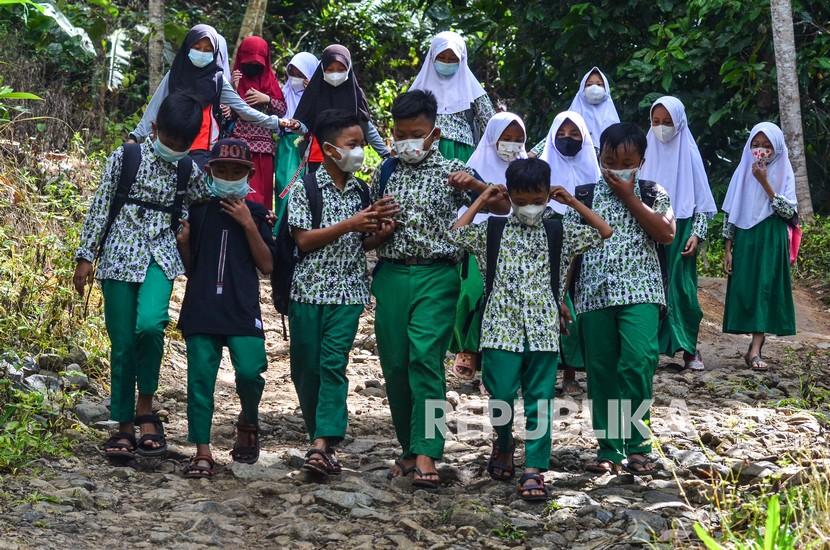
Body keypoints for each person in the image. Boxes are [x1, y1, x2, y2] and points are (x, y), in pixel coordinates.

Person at [370, 90, 510, 488]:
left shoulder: (453, 170)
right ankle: (408, 449)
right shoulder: (384, 172)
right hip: (392, 275)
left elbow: (501, 204)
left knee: (425, 359)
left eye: (415, 133)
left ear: (434, 133)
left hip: (438, 275)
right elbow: (370, 227)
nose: (406, 142)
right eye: (400, 133)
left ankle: (428, 451)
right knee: (395, 365)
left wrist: (476, 184)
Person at [451, 158, 612, 501]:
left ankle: (535, 469)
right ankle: (505, 443)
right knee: (502, 394)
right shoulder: (492, 231)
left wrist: (571, 202)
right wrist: (481, 199)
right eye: (521, 200)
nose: (529, 207)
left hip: (543, 330)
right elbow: (456, 234)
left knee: (539, 400)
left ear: (547, 194)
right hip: (499, 330)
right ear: (509, 196)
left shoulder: (559, 231)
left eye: (537, 199)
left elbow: (604, 231)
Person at [73, 93, 208, 462]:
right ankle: (123, 424)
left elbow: (207, 203)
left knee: (150, 325)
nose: (174, 149)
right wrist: (86, 255)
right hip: (118, 255)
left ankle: (145, 406)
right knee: (122, 342)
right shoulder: (126, 157)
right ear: (154, 129)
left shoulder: (187, 170)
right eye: (169, 141)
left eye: (182, 145)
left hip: (159, 257)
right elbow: (101, 205)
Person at [287, 109, 399, 479]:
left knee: (333, 363)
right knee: (306, 368)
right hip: (307, 291)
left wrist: (381, 230)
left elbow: (362, 242)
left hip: (349, 291)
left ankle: (322, 442)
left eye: (362, 144)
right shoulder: (305, 186)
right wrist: (351, 224)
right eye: (353, 144)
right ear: (330, 148)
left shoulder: (363, 190)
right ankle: (319, 439)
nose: (360, 151)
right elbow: (303, 239)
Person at [568, 123, 675, 475]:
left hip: (642, 292)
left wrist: (630, 196)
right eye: (610, 160)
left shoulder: (653, 192)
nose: (617, 168)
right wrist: (559, 298)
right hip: (593, 295)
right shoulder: (583, 196)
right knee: (601, 371)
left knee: (638, 360)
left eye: (626, 161)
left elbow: (665, 232)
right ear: (599, 158)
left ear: (641, 161)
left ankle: (639, 443)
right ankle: (610, 448)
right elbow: (569, 251)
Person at [176, 138, 276, 478]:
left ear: (248, 174)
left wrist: (249, 223)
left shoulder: (259, 213)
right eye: (223, 170)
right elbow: (190, 266)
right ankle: (202, 450)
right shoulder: (199, 210)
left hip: (241, 306)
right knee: (200, 378)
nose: (229, 176)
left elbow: (267, 264)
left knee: (250, 372)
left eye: (237, 171)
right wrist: (185, 242)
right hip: (202, 305)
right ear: (210, 171)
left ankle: (248, 418)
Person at [129, 24, 292, 168]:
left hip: (201, 152)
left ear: (215, 53)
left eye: (208, 50)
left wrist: (276, 122)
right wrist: (136, 137)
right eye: (197, 47)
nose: (202, 53)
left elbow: (244, 110)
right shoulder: (175, 74)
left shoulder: (217, 80)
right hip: (169, 147)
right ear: (188, 47)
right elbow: (154, 107)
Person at [641, 96, 716, 371]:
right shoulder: (645, 153)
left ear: (680, 122)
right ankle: (649, 348)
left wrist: (696, 234)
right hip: (649, 230)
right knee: (650, 290)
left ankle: (689, 348)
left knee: (682, 290)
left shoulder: (690, 154)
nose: (661, 127)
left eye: (668, 122)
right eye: (656, 121)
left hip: (682, 230)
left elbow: (702, 204)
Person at [451, 112, 527, 381]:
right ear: (493, 138)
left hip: (517, 243)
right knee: (472, 294)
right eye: (506, 138)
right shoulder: (472, 170)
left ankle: (489, 362)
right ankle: (468, 348)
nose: (513, 144)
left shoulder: (527, 168)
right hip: (479, 239)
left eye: (519, 139)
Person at [721, 122, 797, 371]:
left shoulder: (784, 172)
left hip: (771, 236)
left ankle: (756, 348)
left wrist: (765, 183)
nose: (761, 151)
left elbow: (789, 212)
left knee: (765, 287)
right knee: (747, 288)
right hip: (745, 237)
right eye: (756, 145)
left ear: (776, 148)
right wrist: (728, 248)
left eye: (767, 146)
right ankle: (752, 345)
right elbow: (731, 211)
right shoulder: (742, 171)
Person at [539, 111, 602, 395]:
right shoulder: (541, 170)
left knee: (575, 306)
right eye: (562, 135)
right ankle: (544, 374)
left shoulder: (594, 174)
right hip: (547, 249)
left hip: (584, 251)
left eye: (575, 135)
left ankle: (571, 373)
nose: (568, 140)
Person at [290, 44, 389, 175]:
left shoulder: (355, 96)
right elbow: (305, 125)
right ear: (322, 69)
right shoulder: (314, 92)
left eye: (341, 69)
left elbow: (366, 126)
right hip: (317, 158)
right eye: (330, 70)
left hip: (347, 158)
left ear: (348, 69)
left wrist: (386, 155)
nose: (335, 74)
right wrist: (297, 125)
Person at [409, 31, 495, 163]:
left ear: (461, 59)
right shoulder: (418, 89)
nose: (447, 62)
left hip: (460, 151)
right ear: (432, 57)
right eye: (442, 58)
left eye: (453, 59)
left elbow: (491, 123)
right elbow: (404, 119)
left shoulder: (472, 89)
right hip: (423, 149)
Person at [228, 36, 287, 208]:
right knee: (237, 194)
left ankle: (261, 231)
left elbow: (282, 110)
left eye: (257, 63)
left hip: (264, 150)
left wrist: (267, 99)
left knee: (261, 196)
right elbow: (229, 114)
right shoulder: (234, 80)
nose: (253, 66)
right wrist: (235, 87)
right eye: (248, 62)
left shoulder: (270, 80)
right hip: (238, 147)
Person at [530, 67, 619, 157]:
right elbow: (553, 137)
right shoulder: (572, 114)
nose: (594, 88)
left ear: (606, 88)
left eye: (599, 84)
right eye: (589, 85)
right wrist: (534, 153)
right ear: (582, 89)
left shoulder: (612, 118)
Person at [274, 52, 319, 225]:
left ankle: (298, 227)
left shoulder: (317, 96)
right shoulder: (284, 93)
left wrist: (313, 93)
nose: (295, 79)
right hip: (286, 145)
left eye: (301, 75)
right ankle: (280, 228)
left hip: (307, 145)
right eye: (292, 74)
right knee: (283, 185)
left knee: (301, 189)